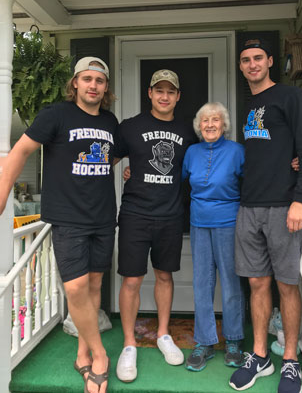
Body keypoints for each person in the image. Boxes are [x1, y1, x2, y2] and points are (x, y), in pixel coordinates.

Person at [0, 57, 119, 393]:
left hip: (103, 216)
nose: (93, 85)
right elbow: (21, 151)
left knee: (95, 285)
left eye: (99, 80)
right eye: (87, 79)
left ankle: (82, 353)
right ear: (75, 84)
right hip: (68, 217)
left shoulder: (110, 122)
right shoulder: (56, 114)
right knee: (76, 288)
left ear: (106, 87)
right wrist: (3, 193)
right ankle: (100, 356)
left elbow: (114, 154)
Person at [229, 38, 302, 393]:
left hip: (284, 206)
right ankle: (259, 355)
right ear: (240, 67)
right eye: (245, 60)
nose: (252, 64)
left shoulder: (291, 97)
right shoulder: (250, 105)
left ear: (269, 61)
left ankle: (291, 360)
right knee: (257, 283)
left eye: (257, 59)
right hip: (249, 206)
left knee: (287, 284)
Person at [114, 69, 197, 383]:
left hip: (170, 214)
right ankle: (129, 344)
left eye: (171, 91)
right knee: (132, 280)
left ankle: (163, 334)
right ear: (149, 93)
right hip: (135, 213)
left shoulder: (188, 131)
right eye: (159, 90)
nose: (164, 96)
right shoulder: (130, 127)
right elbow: (107, 161)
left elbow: (207, 157)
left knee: (165, 275)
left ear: (178, 96)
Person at [182, 101, 245, 372]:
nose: (210, 125)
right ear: (199, 125)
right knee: (201, 283)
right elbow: (177, 179)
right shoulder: (191, 152)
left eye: (216, 120)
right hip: (199, 223)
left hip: (229, 223)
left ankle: (233, 341)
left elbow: (253, 180)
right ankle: (205, 342)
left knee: (231, 284)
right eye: (205, 120)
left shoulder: (237, 151)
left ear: (224, 125)